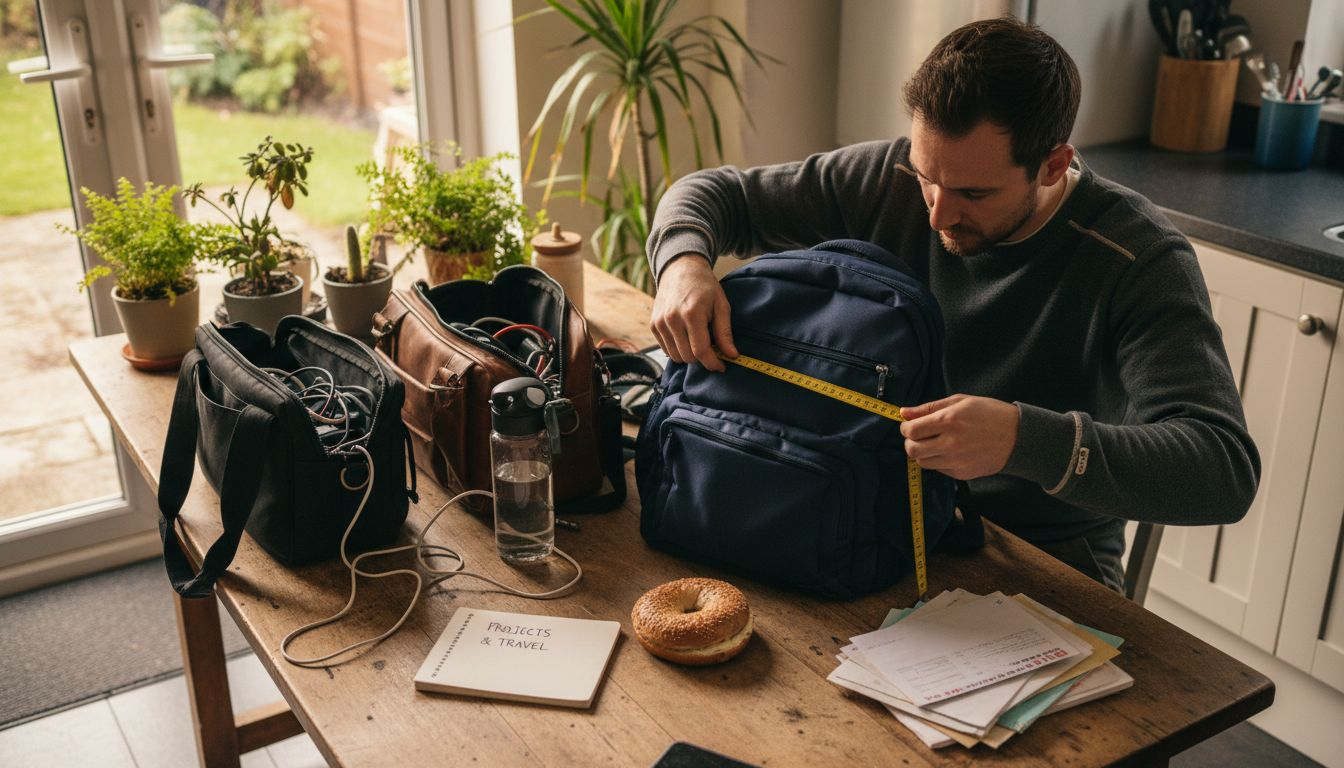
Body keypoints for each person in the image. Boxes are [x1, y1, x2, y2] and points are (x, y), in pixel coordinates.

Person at [643, 16, 1260, 592]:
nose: (937, 213)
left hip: (1041, 555)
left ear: (1053, 166)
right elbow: (714, 194)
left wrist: (1023, 440)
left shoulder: (1137, 259)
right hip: (872, 511)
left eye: (973, 193)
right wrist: (682, 265)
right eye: (926, 177)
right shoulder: (888, 178)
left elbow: (1222, 468)